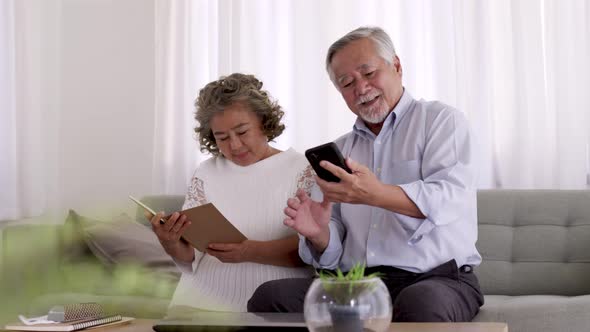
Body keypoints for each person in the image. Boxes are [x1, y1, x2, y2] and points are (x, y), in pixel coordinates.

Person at [247, 26, 484, 322]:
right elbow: (331, 252)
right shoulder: (341, 150)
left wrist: (376, 194)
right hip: (357, 284)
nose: (360, 88)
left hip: (437, 279)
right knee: (270, 297)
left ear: (396, 66)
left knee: (420, 302)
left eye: (369, 73)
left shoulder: (441, 121)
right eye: (347, 82)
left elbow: (450, 199)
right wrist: (319, 234)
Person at [147, 73, 314, 312]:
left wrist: (248, 251)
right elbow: (189, 256)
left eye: (242, 132)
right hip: (198, 304)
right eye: (222, 137)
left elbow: (313, 250)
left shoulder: (302, 169)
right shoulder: (205, 172)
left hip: (272, 306)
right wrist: (170, 242)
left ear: (264, 122)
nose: (234, 145)